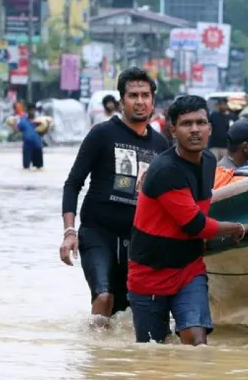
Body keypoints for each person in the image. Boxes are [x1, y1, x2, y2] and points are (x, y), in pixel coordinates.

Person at [127, 95, 248, 345]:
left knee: (197, 346)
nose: (195, 130)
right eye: (186, 124)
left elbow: (203, 208)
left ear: (210, 128)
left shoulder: (208, 161)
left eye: (200, 122)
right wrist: (237, 228)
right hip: (149, 273)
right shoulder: (166, 171)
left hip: (189, 269)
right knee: (153, 353)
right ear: (173, 129)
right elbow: (196, 225)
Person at [59, 67, 170, 327]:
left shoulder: (161, 145)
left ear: (153, 100)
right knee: (104, 295)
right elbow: (73, 183)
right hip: (98, 233)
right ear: (122, 101)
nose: (140, 101)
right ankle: (96, 355)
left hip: (138, 240)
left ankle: (117, 363)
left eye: (145, 95)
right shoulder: (102, 134)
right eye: (133, 95)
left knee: (128, 313)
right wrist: (69, 232)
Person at [18, 104, 44, 170]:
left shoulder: (39, 121)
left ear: (35, 111)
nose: (32, 112)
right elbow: (17, 129)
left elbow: (43, 132)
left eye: (33, 110)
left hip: (37, 146)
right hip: (27, 147)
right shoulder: (23, 121)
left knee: (39, 168)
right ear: (28, 111)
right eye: (30, 110)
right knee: (26, 167)